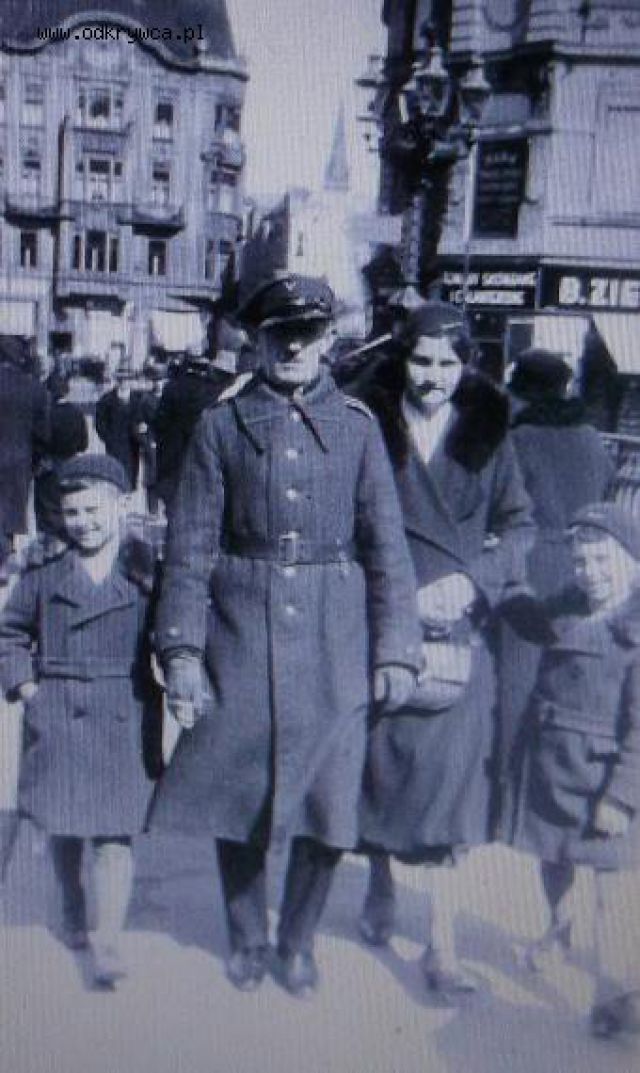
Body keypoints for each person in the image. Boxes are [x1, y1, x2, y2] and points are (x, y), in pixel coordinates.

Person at [148, 273, 420, 997]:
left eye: (308, 333)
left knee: (330, 797)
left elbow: (387, 546)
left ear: (329, 339)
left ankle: (296, 943)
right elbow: (190, 547)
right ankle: (246, 937)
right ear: (257, 340)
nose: (294, 347)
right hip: (239, 630)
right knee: (237, 786)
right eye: (280, 334)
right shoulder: (221, 426)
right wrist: (182, 651)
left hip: (337, 633)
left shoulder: (359, 426)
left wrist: (396, 648)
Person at [356, 301, 534, 993]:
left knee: (452, 788)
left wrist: (473, 579)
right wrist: (396, 592)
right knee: (381, 771)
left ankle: (442, 944)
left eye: (447, 363)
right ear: (401, 360)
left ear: (467, 366)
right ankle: (379, 882)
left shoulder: (489, 434)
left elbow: (519, 526)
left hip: (461, 630)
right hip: (385, 621)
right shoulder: (367, 424)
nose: (432, 376)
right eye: (421, 360)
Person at [0, 455, 161, 988]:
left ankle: (107, 940)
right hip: (59, 709)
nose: (83, 523)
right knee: (64, 825)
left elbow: (171, 629)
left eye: (93, 510)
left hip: (124, 710)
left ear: (121, 506)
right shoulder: (45, 571)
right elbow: (9, 633)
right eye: (72, 513)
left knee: (114, 835)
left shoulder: (145, 570)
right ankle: (71, 904)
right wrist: (27, 687)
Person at [515, 503, 640, 1040]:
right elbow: (524, 626)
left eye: (603, 561)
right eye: (582, 562)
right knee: (554, 860)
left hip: (604, 778)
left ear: (633, 561)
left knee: (611, 889)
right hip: (555, 767)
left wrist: (622, 797)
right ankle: (557, 926)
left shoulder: (636, 630)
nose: (591, 573)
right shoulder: (565, 610)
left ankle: (613, 994)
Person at [500, 348, 615, 842]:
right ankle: (560, 798)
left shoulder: (517, 439)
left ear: (519, 390)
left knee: (516, 683)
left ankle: (506, 801)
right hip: (585, 570)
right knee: (570, 684)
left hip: (530, 568)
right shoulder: (592, 439)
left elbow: (502, 506)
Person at [154, 317, 249, 507]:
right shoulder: (226, 394)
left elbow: (159, 424)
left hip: (173, 466)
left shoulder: (173, 388)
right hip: (206, 469)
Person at [95, 369, 143, 491]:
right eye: (121, 380)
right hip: (115, 444)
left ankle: (129, 494)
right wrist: (108, 438)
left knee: (131, 475)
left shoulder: (138, 399)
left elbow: (144, 419)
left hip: (132, 444)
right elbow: (99, 422)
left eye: (127, 379)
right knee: (115, 475)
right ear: (117, 381)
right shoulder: (106, 399)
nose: (124, 382)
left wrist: (141, 435)